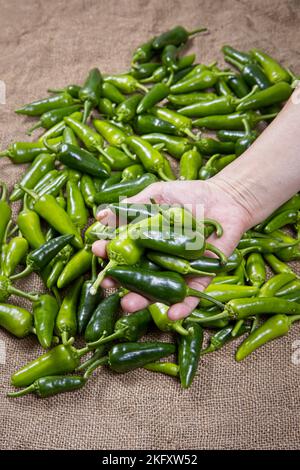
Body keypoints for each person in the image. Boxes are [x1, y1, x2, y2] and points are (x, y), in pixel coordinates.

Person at [92, 88, 300, 320]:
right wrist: (234, 195)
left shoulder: (160, 233)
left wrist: (236, 197)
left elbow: (150, 238)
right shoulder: (163, 233)